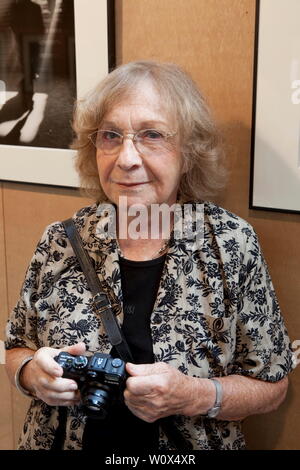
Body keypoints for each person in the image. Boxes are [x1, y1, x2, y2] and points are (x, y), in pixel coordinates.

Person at [5, 61, 293, 451]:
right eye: (110, 135)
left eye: (151, 135)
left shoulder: (229, 243)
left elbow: (271, 387)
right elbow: (17, 346)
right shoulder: (61, 240)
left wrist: (194, 395)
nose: (126, 158)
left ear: (188, 152)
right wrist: (29, 373)